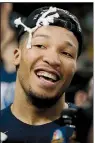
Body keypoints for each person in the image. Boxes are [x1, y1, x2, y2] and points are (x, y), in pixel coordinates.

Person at [0, 5, 83, 143]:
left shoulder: (86, 130)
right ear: (16, 56)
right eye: (40, 45)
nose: (53, 60)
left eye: (66, 53)